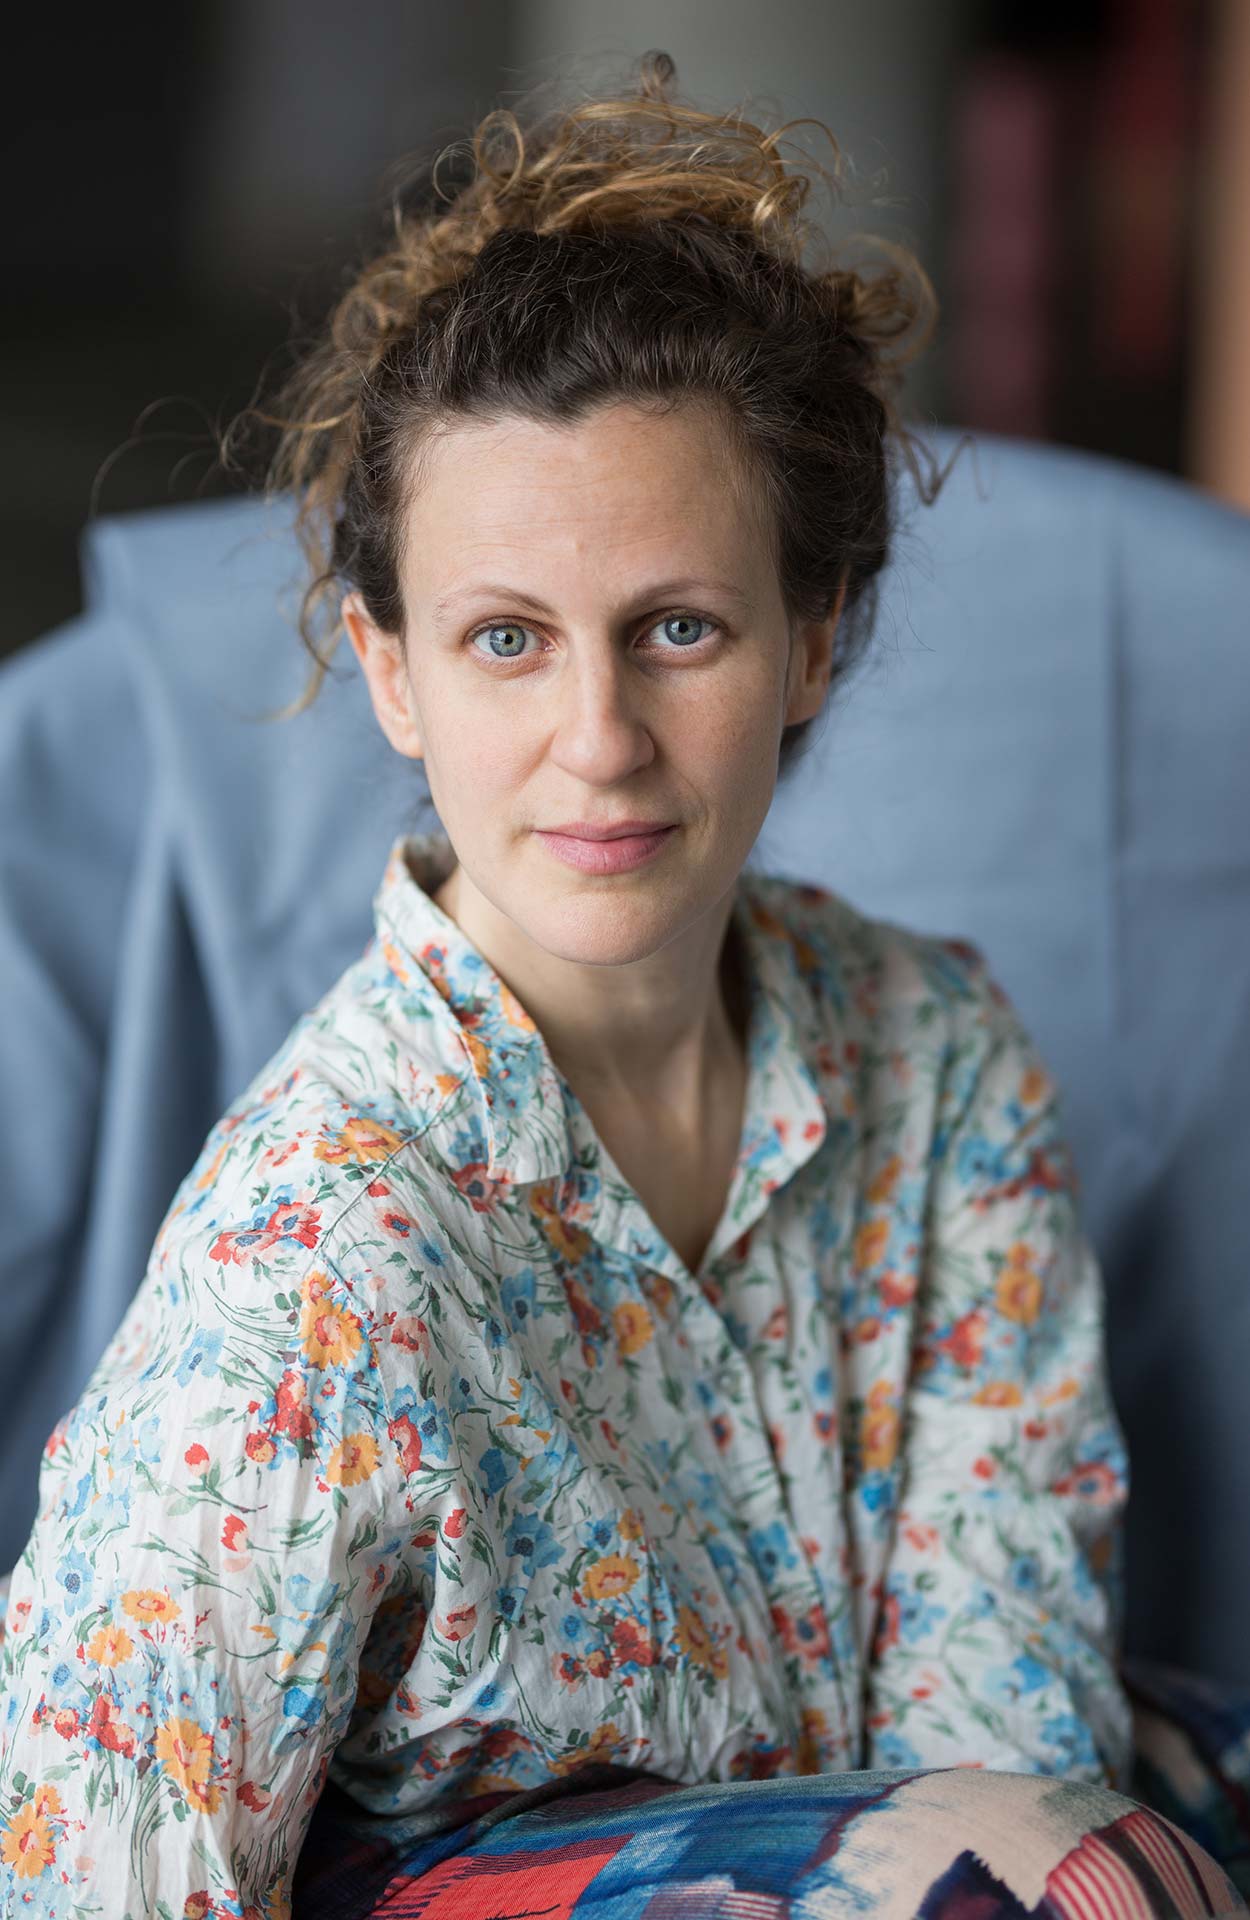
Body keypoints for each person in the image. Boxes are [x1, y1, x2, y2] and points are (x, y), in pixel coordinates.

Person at [1, 48, 1243, 1920]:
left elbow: (1004, 1735)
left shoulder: (936, 1061)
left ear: (812, 637)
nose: (599, 740)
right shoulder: (318, 1249)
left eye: (676, 628)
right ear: (394, 674)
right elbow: (94, 1883)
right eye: (507, 640)